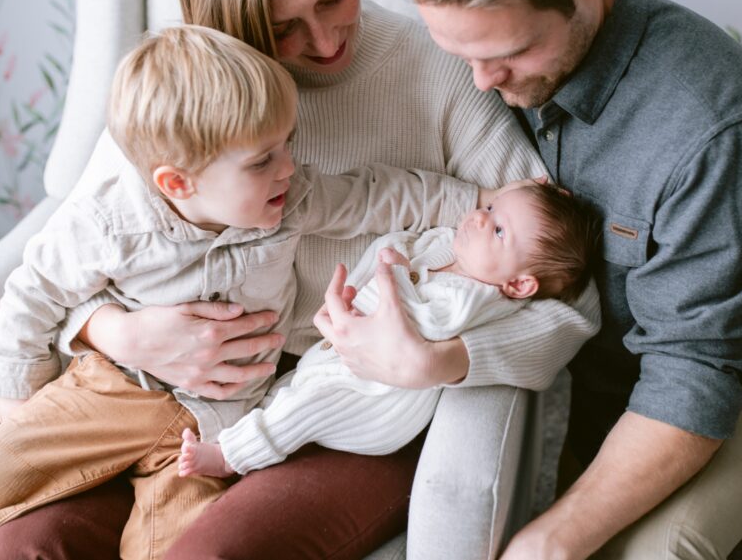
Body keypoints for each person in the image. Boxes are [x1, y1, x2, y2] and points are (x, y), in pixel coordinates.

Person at [0, 0, 601, 559]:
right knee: (18, 548)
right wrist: (114, 329)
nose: (327, 38)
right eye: (281, 27)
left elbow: (566, 286)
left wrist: (444, 358)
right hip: (162, 397)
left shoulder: (441, 72)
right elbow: (74, 251)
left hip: (338, 408)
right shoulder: (193, 91)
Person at [375, 0, 742, 558]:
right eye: (461, 53)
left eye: (507, 54)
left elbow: (697, 377)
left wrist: (553, 540)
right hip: (606, 371)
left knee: (642, 549)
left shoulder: (717, 126)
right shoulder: (495, 66)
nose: (481, 84)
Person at [0, 24, 497, 560]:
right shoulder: (111, 220)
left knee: (179, 541)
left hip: (216, 421)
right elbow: (34, 288)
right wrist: (17, 391)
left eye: (286, 144)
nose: (288, 167)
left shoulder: (289, 200)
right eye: (262, 159)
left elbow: (375, 196)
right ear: (177, 182)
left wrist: (473, 204)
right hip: (112, 392)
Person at [180, 183, 601, 479]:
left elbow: (424, 326)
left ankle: (230, 456)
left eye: (498, 230)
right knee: (292, 389)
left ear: (519, 284)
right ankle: (236, 431)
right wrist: (372, 274)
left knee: (303, 410)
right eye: (490, 209)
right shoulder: (448, 244)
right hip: (346, 362)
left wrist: (394, 274)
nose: (477, 218)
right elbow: (397, 246)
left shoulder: (479, 299)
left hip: (379, 403)